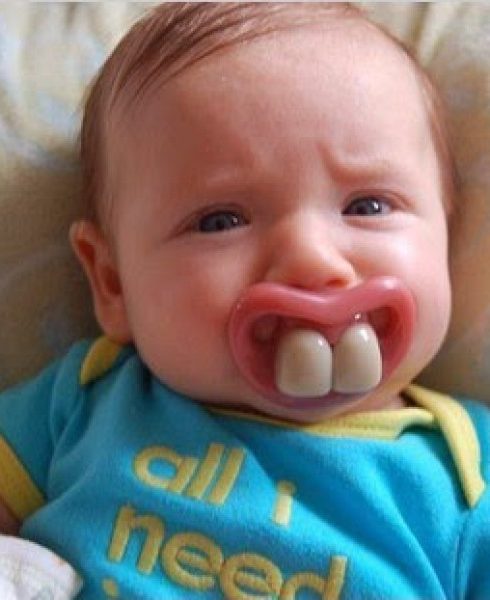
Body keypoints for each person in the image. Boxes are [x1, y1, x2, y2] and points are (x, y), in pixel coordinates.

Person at [0, 2, 489, 598]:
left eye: (367, 206)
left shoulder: (467, 471)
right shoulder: (87, 396)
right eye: (220, 221)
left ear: (445, 234)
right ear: (113, 283)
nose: (311, 260)